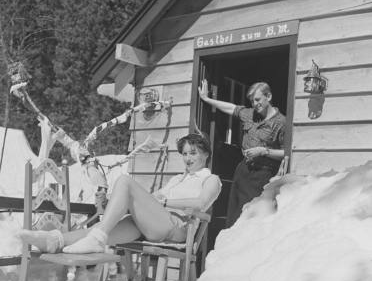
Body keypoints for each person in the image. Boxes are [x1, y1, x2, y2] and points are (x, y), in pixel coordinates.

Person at [19, 133, 222, 254]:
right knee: (106, 226)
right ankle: (55, 240)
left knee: (124, 181)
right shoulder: (178, 178)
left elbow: (201, 203)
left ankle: (95, 238)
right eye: (185, 154)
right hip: (156, 223)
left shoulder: (211, 179)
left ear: (206, 154)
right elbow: (154, 199)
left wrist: (166, 201)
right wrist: (122, 202)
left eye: (193, 153)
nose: (187, 158)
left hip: (177, 229)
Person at [198, 79, 286, 227]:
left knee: (252, 217)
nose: (254, 104)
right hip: (243, 170)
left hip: (263, 174)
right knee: (234, 214)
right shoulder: (250, 114)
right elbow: (230, 108)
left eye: (257, 99)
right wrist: (207, 99)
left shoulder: (281, 122)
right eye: (252, 101)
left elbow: (286, 152)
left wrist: (263, 151)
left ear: (268, 97)